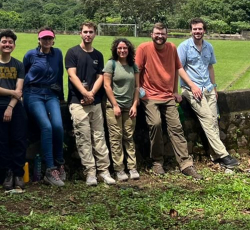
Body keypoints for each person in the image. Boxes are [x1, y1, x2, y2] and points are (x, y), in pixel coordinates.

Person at [136, 23, 203, 179]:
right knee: (156, 124)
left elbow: (176, 68)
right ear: (151, 35)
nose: (160, 36)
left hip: (167, 96)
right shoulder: (143, 48)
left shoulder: (171, 48)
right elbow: (137, 71)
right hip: (150, 96)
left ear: (167, 35)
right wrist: (137, 93)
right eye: (157, 34)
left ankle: (186, 164)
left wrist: (175, 91)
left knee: (176, 127)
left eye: (163, 34)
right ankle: (157, 162)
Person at [178, 19, 240, 168]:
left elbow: (210, 67)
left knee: (213, 120)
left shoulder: (208, 47)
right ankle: (224, 155)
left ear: (204, 30)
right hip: (191, 89)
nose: (197, 32)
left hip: (208, 88)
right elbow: (179, 68)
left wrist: (214, 87)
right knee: (206, 119)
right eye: (194, 29)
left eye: (200, 29)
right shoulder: (184, 47)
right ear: (191, 31)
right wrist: (192, 86)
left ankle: (214, 155)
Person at [65, 22, 114, 185]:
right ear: (80, 33)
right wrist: (85, 93)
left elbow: (101, 76)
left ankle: (104, 171)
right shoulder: (72, 52)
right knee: (83, 138)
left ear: (95, 34)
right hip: (77, 102)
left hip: (95, 102)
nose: (88, 35)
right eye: (85, 32)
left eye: (91, 32)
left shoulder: (98, 55)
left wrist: (91, 93)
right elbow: (72, 75)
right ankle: (90, 173)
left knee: (99, 137)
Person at [0, 29, 27, 190]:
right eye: (4, 42)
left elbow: (20, 89)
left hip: (15, 107)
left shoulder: (18, 65)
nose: (7, 44)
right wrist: (12, 93)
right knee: (1, 142)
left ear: (14, 46)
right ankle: (7, 173)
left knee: (19, 140)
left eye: (10, 42)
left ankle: (18, 173)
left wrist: (10, 106)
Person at [23, 27, 66, 187]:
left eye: (49, 38)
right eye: (44, 38)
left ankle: (60, 162)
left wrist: (61, 96)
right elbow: (24, 74)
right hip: (33, 93)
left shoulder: (58, 54)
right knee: (46, 127)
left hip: (51, 93)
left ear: (53, 39)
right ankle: (50, 169)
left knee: (58, 126)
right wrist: (23, 95)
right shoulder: (30, 55)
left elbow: (60, 74)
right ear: (38, 39)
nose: (47, 41)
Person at [103, 37, 140, 181]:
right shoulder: (111, 64)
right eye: (120, 48)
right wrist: (115, 105)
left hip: (129, 107)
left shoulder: (133, 66)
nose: (122, 50)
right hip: (114, 107)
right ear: (115, 50)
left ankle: (132, 167)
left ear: (129, 50)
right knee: (116, 137)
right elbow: (107, 86)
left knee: (129, 136)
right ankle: (119, 169)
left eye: (125, 48)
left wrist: (135, 105)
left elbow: (137, 86)